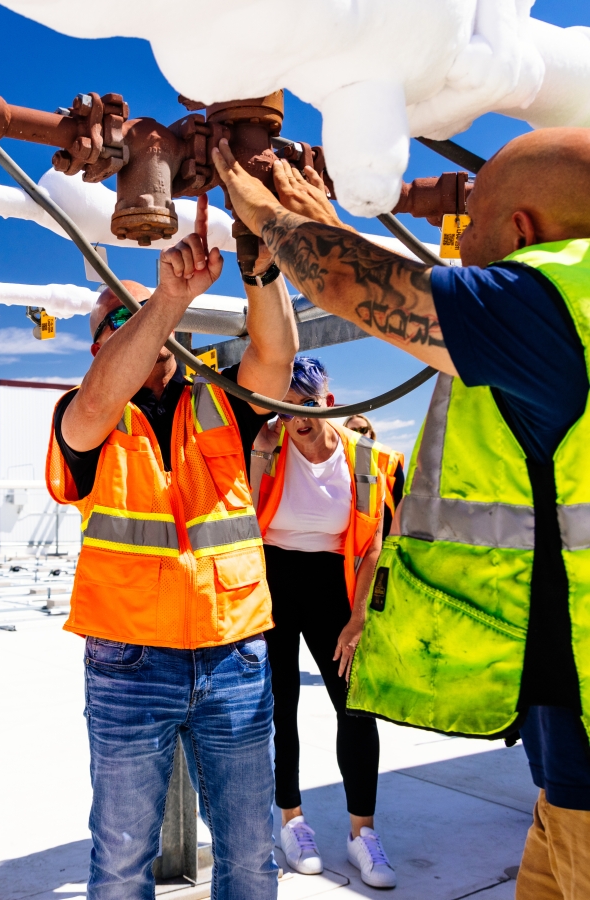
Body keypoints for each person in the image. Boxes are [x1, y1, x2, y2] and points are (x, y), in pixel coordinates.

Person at [212, 127, 590, 900]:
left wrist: (267, 217)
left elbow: (355, 285)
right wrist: (316, 214)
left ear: (522, 230)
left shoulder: (554, 298)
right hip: (566, 736)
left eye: (471, 227)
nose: (461, 250)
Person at [45, 195, 297, 899]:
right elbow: (94, 407)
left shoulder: (220, 402)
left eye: (139, 318)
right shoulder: (84, 410)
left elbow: (274, 359)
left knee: (250, 857)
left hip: (234, 654)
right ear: (99, 343)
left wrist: (263, 275)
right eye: (114, 322)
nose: (132, 330)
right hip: (128, 664)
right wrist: (164, 299)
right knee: (122, 863)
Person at [250, 357, 398, 888]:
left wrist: (358, 617)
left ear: (327, 403)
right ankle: (292, 822)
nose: (298, 414)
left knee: (354, 704)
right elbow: (241, 518)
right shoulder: (268, 447)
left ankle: (364, 835)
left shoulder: (362, 458)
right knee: (280, 703)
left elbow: (373, 543)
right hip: (273, 580)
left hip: (333, 584)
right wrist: (260, 457)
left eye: (307, 402)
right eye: (288, 403)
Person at [342, 415, 405, 538]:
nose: (359, 434)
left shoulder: (391, 458)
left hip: (386, 529)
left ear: (370, 433)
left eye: (363, 430)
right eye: (352, 431)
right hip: (349, 529)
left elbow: (400, 498)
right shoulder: (337, 460)